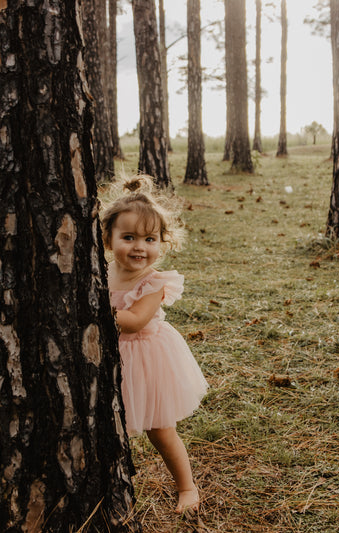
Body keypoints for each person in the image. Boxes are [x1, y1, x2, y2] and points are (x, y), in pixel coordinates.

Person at [101, 175, 209, 514]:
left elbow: (134, 321)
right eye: (128, 237)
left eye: (150, 239)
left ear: (162, 242)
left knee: (160, 430)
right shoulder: (99, 273)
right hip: (110, 358)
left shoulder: (154, 283)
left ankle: (187, 487)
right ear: (108, 238)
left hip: (147, 358)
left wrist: (92, 307)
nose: (139, 247)